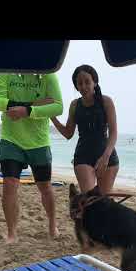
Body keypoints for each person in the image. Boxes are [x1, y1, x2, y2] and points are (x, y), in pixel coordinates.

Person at [0, 73, 63, 243]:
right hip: (11, 139)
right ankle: (11, 233)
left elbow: (58, 107)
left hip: (39, 142)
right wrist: (33, 105)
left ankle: (52, 225)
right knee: (10, 184)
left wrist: (27, 111)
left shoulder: (48, 74)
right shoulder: (3, 72)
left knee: (45, 186)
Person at [50, 64, 119, 194]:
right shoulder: (75, 105)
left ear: (95, 82)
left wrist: (105, 157)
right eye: (79, 83)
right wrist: (52, 118)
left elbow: (114, 133)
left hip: (107, 156)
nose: (83, 86)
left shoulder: (106, 102)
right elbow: (68, 133)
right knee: (89, 201)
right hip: (83, 156)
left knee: (104, 202)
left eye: (87, 82)